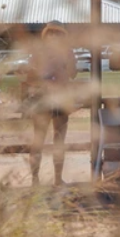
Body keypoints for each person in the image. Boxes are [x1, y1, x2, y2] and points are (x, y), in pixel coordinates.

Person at [24, 21, 78, 186]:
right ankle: (35, 179)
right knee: (38, 139)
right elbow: (30, 77)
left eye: (58, 33)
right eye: (51, 33)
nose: (54, 36)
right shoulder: (38, 52)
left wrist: (67, 62)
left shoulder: (68, 52)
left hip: (61, 98)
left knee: (59, 139)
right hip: (42, 99)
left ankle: (57, 178)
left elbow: (73, 74)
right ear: (45, 35)